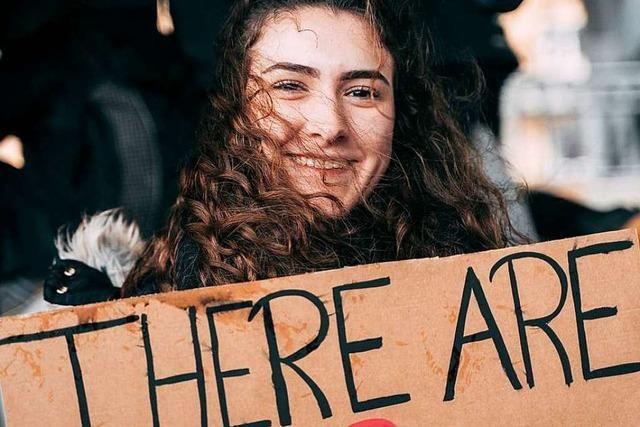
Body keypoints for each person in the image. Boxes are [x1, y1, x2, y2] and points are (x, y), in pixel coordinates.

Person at [43, 0, 518, 304]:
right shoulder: (168, 297)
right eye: (289, 86)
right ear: (236, 111)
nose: (329, 126)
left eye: (362, 92)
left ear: (402, 112)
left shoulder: (480, 278)